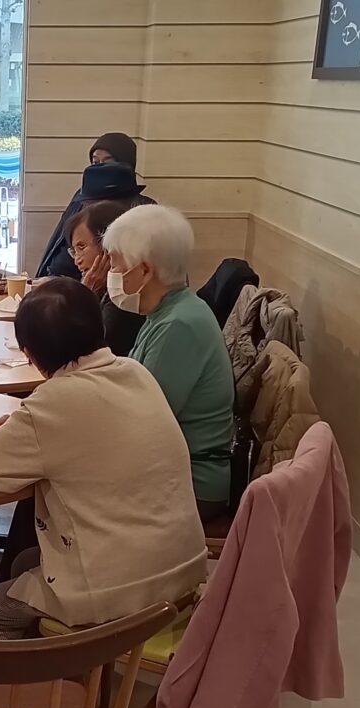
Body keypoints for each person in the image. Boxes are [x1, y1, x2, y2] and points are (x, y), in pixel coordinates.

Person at [0, 279, 206, 639]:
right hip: (184, 574)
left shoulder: (52, 404)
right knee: (25, 562)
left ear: (31, 354)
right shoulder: (136, 372)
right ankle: (56, 657)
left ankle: (59, 669)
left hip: (125, 596)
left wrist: (11, 433)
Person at [102, 204, 235, 522]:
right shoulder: (167, 311)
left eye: (115, 261)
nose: (111, 271)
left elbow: (141, 421)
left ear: (145, 271)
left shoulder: (179, 325)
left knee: (60, 483)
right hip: (168, 470)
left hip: (190, 484)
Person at [35, 132, 155, 281]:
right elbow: (60, 243)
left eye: (108, 162)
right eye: (95, 163)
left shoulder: (142, 208)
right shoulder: (81, 197)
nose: (100, 168)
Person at [66, 200, 145, 357]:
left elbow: (86, 348)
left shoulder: (126, 292)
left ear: (109, 244)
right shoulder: (104, 286)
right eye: (74, 251)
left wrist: (86, 294)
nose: (77, 260)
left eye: (81, 247)